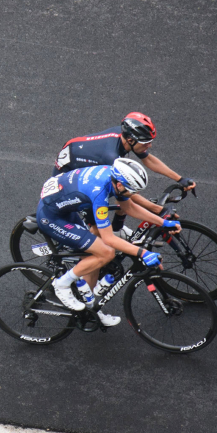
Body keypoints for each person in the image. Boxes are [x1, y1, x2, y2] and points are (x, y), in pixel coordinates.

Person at [37, 158, 181, 326]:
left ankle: (91, 309)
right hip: (51, 217)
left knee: (94, 258)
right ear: (119, 184)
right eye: (131, 191)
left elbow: (128, 207)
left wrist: (162, 222)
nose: (132, 195)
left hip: (65, 208)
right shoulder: (99, 192)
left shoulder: (114, 177)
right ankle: (62, 284)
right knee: (106, 252)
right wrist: (143, 253)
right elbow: (109, 238)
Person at [53, 112, 196, 237]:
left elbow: (148, 159)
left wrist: (180, 179)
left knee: (125, 191)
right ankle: (85, 254)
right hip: (68, 176)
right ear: (131, 140)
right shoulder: (110, 157)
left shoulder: (126, 137)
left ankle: (117, 228)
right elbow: (127, 192)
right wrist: (159, 210)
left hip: (79, 158)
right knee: (99, 229)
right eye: (146, 142)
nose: (149, 146)